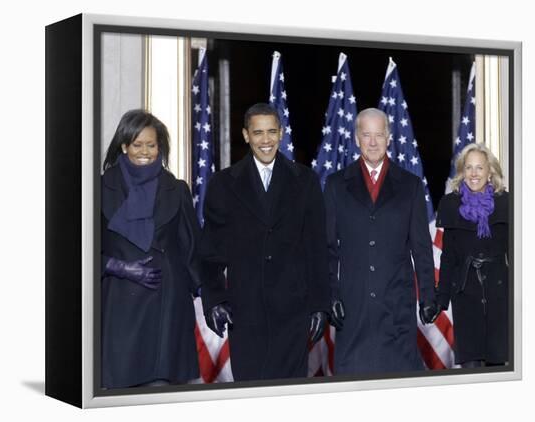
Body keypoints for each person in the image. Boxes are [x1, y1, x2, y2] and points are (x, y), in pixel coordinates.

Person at [199, 103, 330, 381]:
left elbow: (317, 249)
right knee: (250, 396)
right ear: (246, 135)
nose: (266, 140)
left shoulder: (305, 181)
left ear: (281, 133)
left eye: (272, 131)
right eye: (258, 133)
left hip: (293, 313)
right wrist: (214, 300)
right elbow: (210, 251)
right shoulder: (223, 184)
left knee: (290, 397)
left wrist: (320, 303)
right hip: (245, 314)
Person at [324, 108, 439, 375]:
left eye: (379, 135)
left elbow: (421, 249)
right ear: (356, 138)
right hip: (352, 311)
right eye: (366, 135)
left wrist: (428, 297)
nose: (373, 142)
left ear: (389, 138)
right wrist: (329, 296)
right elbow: (327, 249)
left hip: (397, 310)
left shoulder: (410, 186)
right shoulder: (336, 185)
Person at [101, 109, 202, 388]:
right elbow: (76, 253)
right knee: (118, 392)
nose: (145, 151)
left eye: (151, 144)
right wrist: (118, 267)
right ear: (124, 145)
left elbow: (193, 250)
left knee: (161, 394)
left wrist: (209, 294)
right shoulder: (97, 189)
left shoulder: (177, 189)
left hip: (167, 309)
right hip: (118, 306)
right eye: (137, 144)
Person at [436, 143, 509, 368]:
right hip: (466, 296)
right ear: (462, 171)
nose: (474, 174)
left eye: (479, 168)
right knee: (471, 370)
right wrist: (441, 299)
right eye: (469, 168)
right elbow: (448, 258)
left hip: (500, 296)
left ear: (490, 172)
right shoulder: (450, 204)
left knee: (500, 369)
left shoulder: (507, 202)